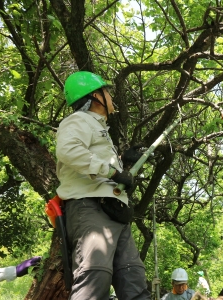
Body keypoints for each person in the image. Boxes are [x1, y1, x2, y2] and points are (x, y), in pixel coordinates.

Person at [56, 71, 150, 300]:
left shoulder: (98, 128)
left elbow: (98, 164)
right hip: (91, 209)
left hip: (114, 213)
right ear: (96, 96)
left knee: (134, 281)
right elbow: (68, 151)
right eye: (107, 92)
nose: (111, 97)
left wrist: (124, 164)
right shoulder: (79, 120)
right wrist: (114, 172)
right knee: (95, 279)